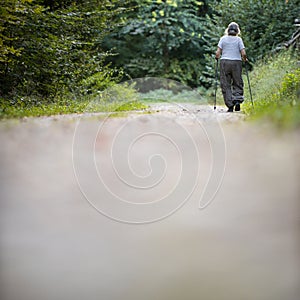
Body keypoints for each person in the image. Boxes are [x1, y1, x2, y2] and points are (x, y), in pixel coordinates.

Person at [215, 22, 248, 112]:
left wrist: (217, 58)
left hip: (224, 62)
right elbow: (243, 53)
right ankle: (237, 100)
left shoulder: (223, 39)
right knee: (237, 82)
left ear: (228, 30)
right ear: (237, 31)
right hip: (236, 62)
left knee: (226, 84)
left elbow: (218, 53)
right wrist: (245, 59)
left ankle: (230, 105)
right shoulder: (238, 39)